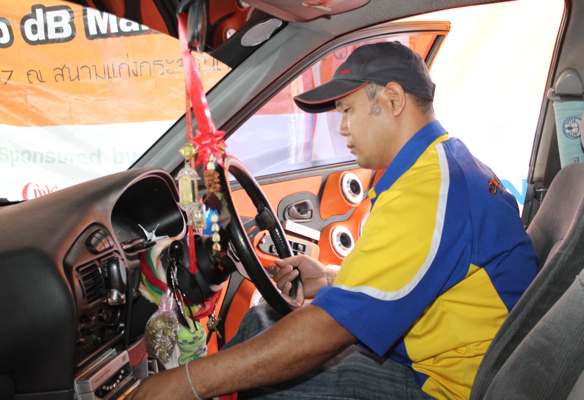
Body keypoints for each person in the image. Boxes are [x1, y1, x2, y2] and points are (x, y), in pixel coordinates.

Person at [128, 41, 538, 400]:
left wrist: (187, 382)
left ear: (393, 99)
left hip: (449, 387)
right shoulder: (440, 168)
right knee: (263, 321)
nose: (342, 128)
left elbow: (328, 329)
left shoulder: (428, 191)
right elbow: (423, 274)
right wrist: (328, 278)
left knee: (266, 386)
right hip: (436, 360)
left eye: (348, 111)